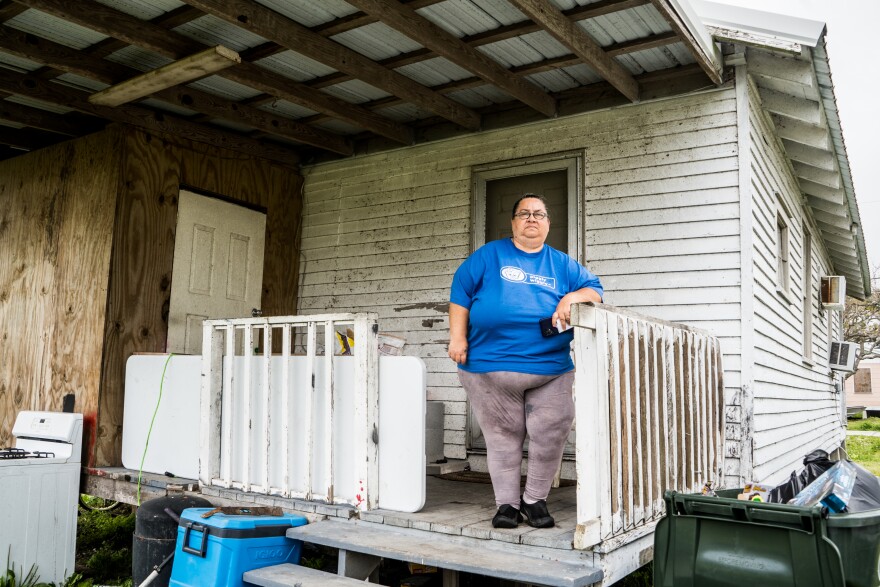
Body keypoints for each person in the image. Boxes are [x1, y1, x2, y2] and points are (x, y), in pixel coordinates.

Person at [448, 193, 603, 529]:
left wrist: (572, 295)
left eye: (539, 214)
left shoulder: (561, 263)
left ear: (548, 223)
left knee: (550, 432)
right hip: (488, 368)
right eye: (524, 213)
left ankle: (535, 500)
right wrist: (457, 337)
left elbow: (595, 289)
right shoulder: (489, 256)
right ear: (514, 222)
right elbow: (460, 294)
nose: (532, 219)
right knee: (502, 436)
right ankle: (506, 505)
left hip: (549, 369)